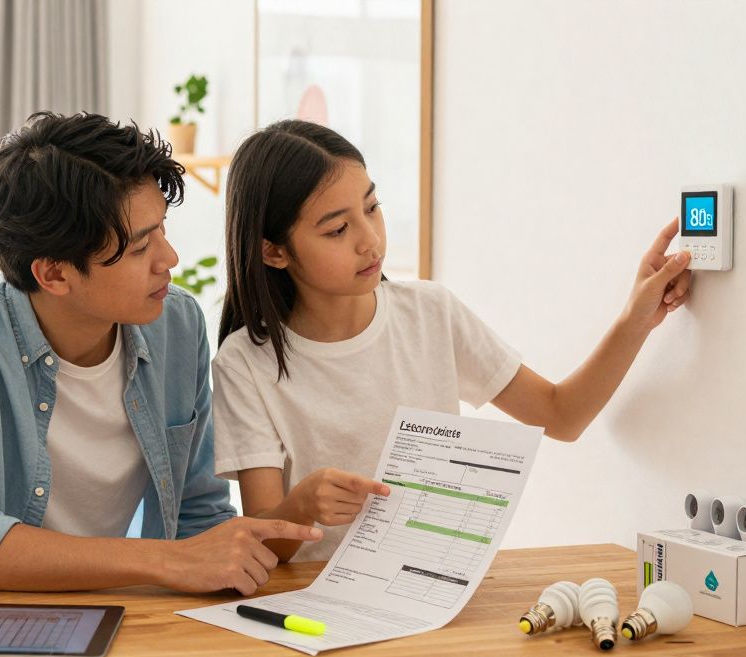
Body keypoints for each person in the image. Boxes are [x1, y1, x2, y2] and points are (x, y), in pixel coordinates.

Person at [212, 119, 692, 562]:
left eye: (372, 208)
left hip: (434, 590)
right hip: (314, 604)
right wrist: (301, 504)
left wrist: (636, 318)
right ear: (274, 252)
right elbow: (267, 549)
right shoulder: (245, 364)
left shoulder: (430, 313)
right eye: (338, 229)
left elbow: (563, 416)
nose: (369, 240)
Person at [0, 111, 321, 593]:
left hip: (126, 614)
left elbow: (198, 513)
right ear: (55, 274)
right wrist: (164, 561)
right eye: (140, 248)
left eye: (163, 229)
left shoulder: (175, 324)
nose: (169, 259)